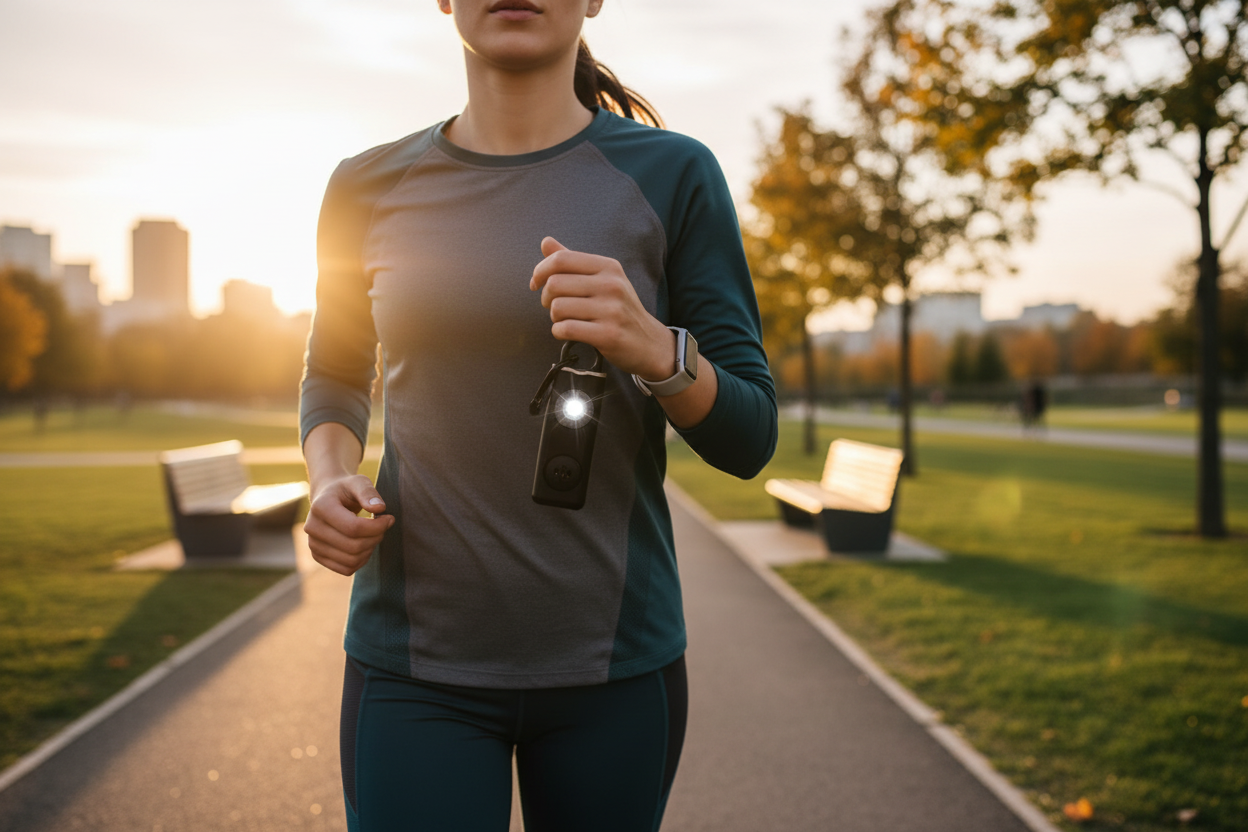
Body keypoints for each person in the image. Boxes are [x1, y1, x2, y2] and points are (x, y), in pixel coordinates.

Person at [298, 2, 777, 830]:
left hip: (615, 673)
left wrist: (655, 347)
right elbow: (336, 372)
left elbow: (750, 435)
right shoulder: (364, 184)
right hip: (414, 669)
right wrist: (332, 475)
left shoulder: (675, 174)